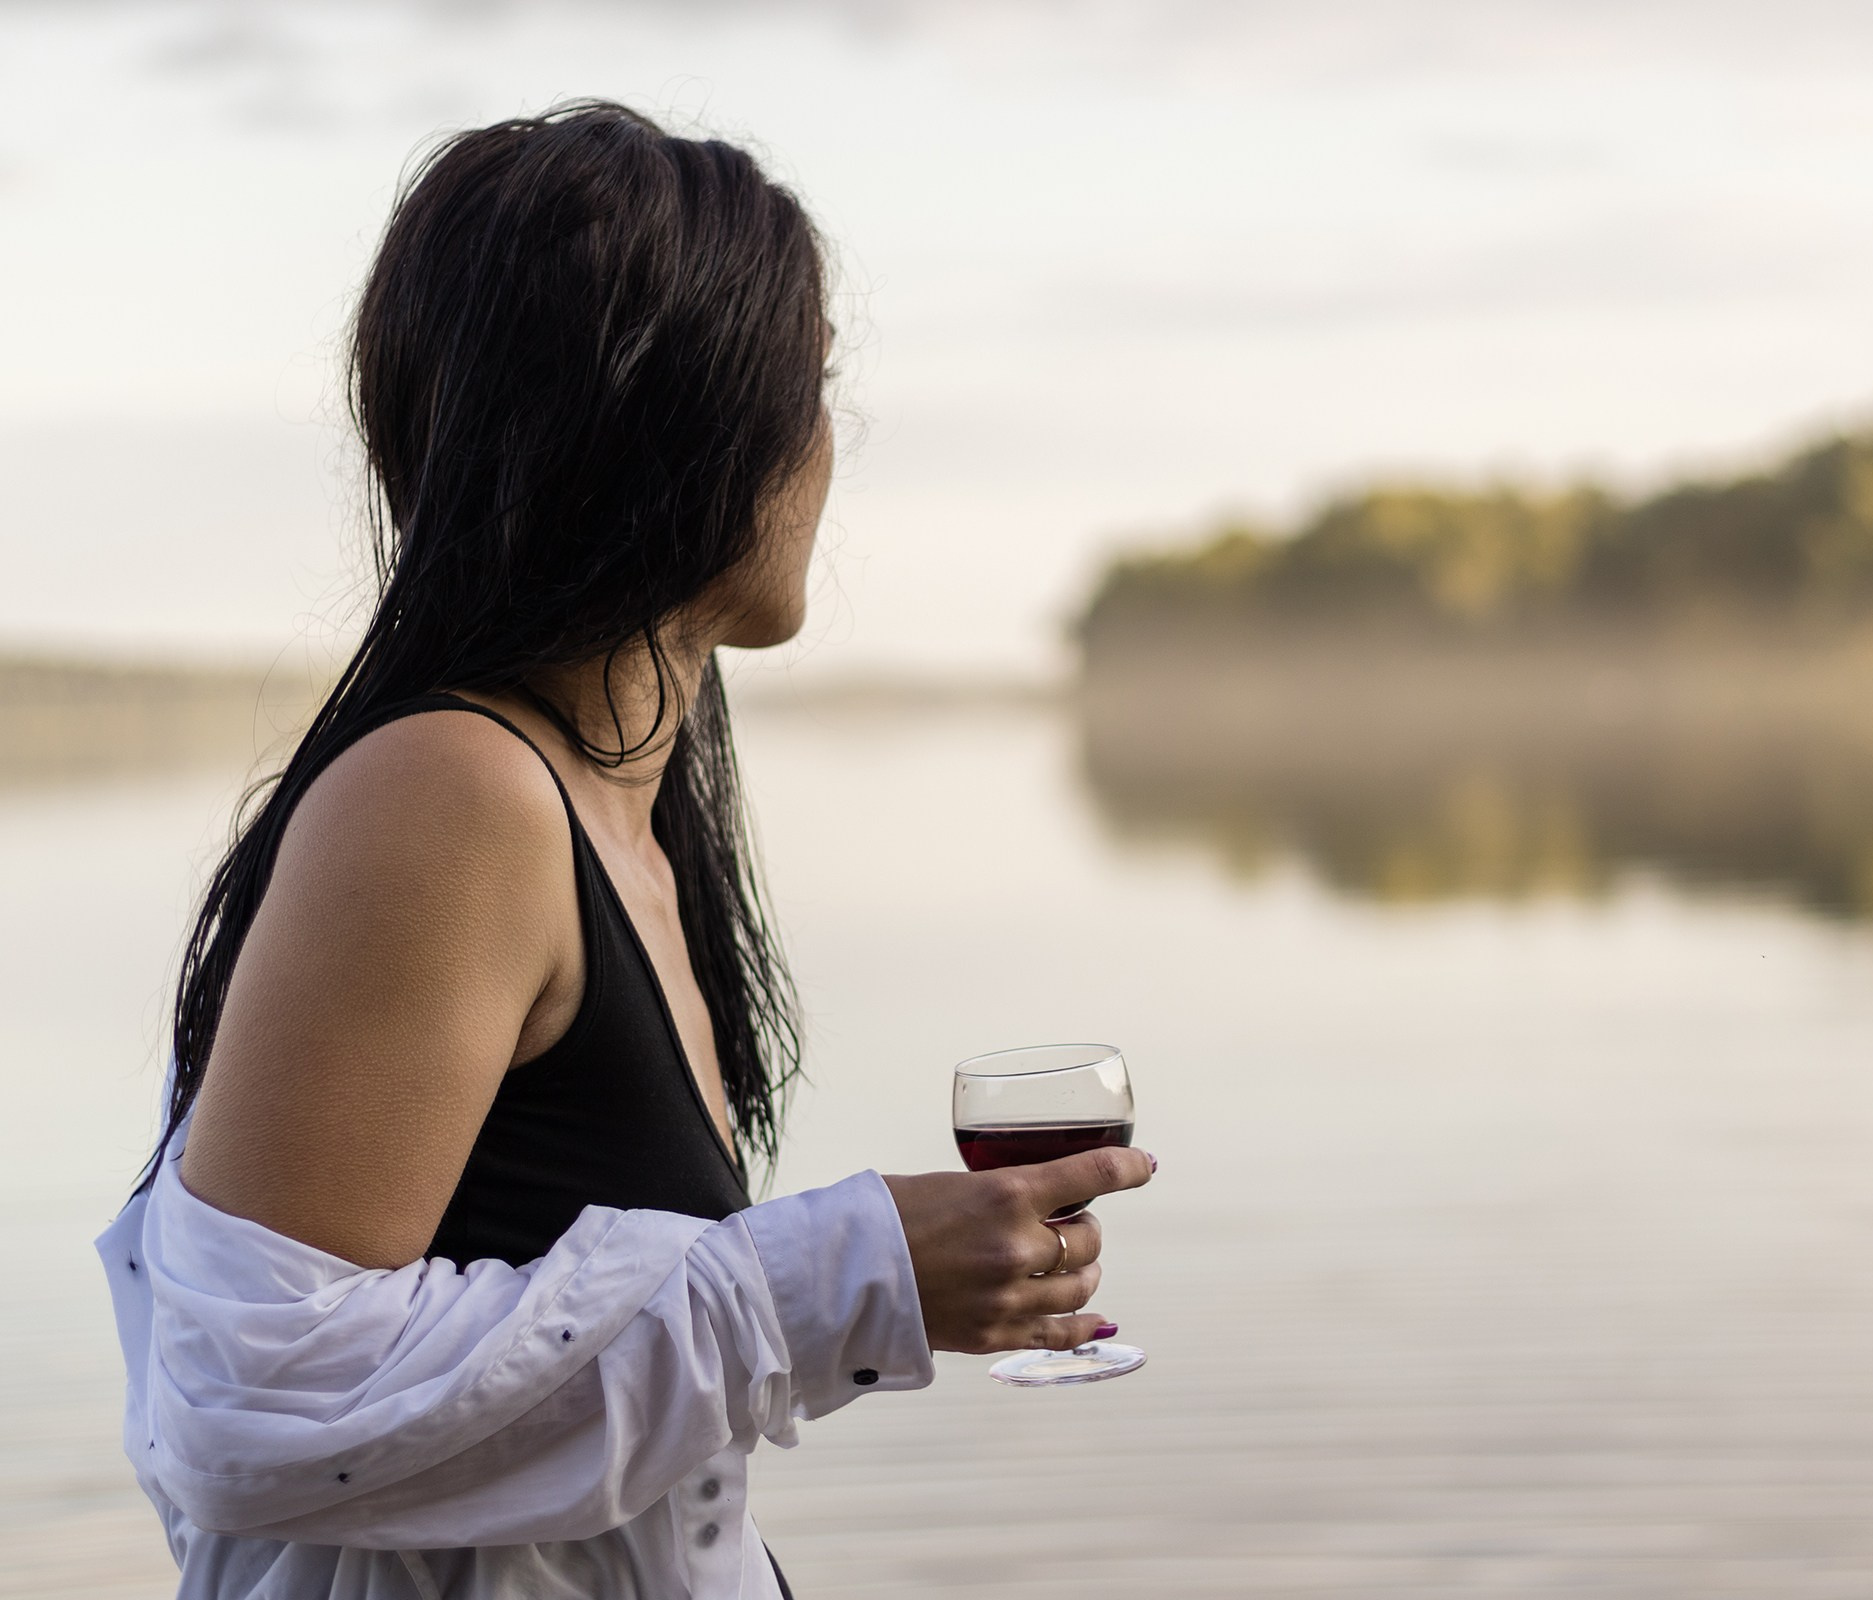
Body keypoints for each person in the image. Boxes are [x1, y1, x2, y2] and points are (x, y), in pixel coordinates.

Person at [95, 101, 1151, 1599]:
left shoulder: (613, 820)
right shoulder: (452, 794)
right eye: (814, 380)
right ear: (685, 408)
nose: (827, 441)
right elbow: (258, 1405)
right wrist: (846, 1274)